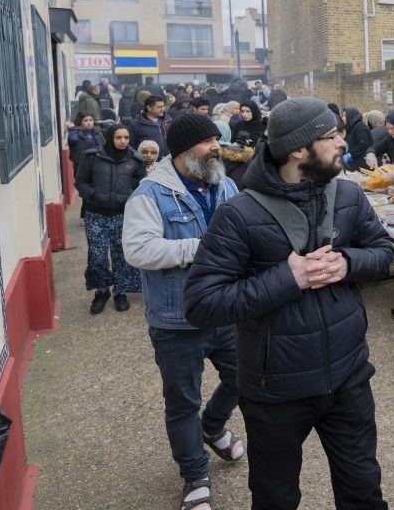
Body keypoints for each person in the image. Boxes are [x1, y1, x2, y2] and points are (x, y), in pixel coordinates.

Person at [184, 97, 393, 510]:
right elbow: (202, 302)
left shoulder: (348, 195)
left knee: (364, 492)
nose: (342, 144)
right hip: (275, 389)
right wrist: (289, 278)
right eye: (332, 136)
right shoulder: (238, 214)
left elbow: (383, 252)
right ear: (299, 149)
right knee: (275, 498)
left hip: (348, 377)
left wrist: (348, 263)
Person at [122, 113, 244, 510]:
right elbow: (137, 250)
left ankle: (212, 427)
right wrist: (199, 246)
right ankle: (195, 476)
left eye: (216, 139)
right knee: (181, 403)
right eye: (208, 141)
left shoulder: (226, 185)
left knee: (248, 376)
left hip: (226, 310)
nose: (216, 147)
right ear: (183, 149)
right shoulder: (149, 194)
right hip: (177, 320)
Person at [75, 124, 145, 314]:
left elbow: (141, 185)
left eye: (126, 137)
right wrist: (93, 195)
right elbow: (80, 181)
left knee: (120, 255)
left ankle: (120, 292)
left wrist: (130, 198)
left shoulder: (136, 160)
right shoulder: (92, 157)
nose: (123, 141)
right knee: (97, 256)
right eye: (118, 137)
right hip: (96, 214)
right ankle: (102, 291)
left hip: (122, 216)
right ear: (109, 138)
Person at [341, 106, 375, 171]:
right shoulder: (350, 127)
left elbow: (363, 144)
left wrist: (350, 154)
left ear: (350, 116)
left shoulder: (360, 127)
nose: (342, 118)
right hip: (355, 159)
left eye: (345, 116)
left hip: (363, 162)